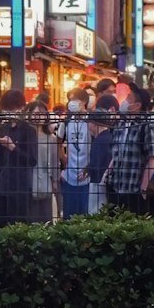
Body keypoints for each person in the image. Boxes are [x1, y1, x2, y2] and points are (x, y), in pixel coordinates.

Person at [104, 83, 154, 214]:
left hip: (134, 189)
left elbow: (152, 159)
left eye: (128, 98)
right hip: (115, 186)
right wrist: (107, 175)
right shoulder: (120, 124)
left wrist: (143, 188)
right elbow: (115, 153)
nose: (124, 101)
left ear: (137, 106)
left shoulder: (145, 127)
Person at [0, 88, 37, 225]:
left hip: (20, 186)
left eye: (10, 108)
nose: (8, 112)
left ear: (21, 108)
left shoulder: (28, 130)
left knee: (18, 224)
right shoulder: (4, 127)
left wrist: (12, 147)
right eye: (6, 109)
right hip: (2, 184)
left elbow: (32, 160)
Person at [59, 86, 92, 217]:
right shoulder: (66, 121)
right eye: (69, 100)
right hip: (69, 176)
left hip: (88, 176)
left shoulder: (91, 121)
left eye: (74, 99)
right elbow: (58, 141)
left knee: (85, 213)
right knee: (69, 214)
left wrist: (90, 167)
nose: (71, 102)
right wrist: (63, 159)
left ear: (84, 101)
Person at [27, 100, 60, 223]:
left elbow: (54, 160)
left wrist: (55, 180)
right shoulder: (25, 136)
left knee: (45, 212)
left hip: (45, 178)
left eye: (41, 114)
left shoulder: (51, 138)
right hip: (29, 179)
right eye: (35, 114)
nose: (38, 118)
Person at [86, 93, 119, 212]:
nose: (88, 126)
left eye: (89, 122)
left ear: (94, 123)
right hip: (106, 183)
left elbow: (97, 164)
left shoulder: (100, 141)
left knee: (96, 212)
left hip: (98, 184)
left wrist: (89, 169)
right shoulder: (109, 137)